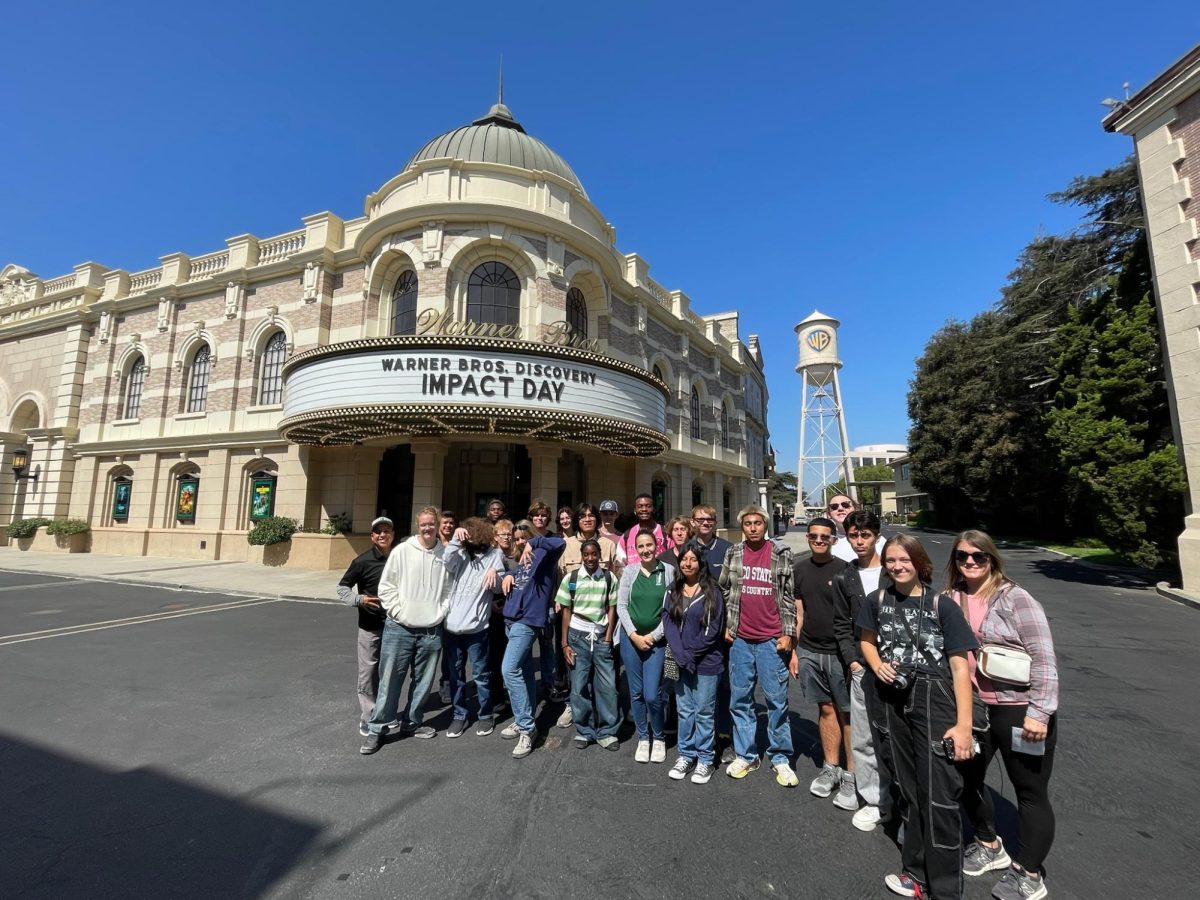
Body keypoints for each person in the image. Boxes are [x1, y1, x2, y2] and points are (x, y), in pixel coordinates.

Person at [857, 534, 978, 900]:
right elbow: (866, 638)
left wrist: (963, 725)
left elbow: (960, 668)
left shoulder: (943, 606)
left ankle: (943, 889)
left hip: (934, 699)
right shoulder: (877, 600)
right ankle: (915, 873)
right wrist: (876, 665)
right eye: (891, 560)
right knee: (908, 788)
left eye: (904, 559)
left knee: (938, 794)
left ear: (919, 561)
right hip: (893, 699)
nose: (897, 566)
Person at [948, 530, 1059, 900]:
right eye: (963, 556)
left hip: (1017, 709)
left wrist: (1040, 713)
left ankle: (1029, 873)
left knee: (1029, 792)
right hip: (975, 707)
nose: (970, 562)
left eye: (978, 556)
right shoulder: (951, 598)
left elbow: (1043, 658)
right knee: (965, 777)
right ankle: (988, 844)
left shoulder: (1016, 599)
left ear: (992, 559)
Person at [360, 507, 452, 755]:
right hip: (399, 628)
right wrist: (399, 613)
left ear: (438, 525)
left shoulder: (445, 554)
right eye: (423, 524)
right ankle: (377, 729)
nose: (427, 528)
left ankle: (412, 723)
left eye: (432, 524)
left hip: (431, 630)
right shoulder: (402, 551)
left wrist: (440, 612)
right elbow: (386, 586)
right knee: (390, 681)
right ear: (417, 525)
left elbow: (449, 589)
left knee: (423, 682)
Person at [718, 504, 798, 787]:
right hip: (741, 639)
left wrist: (789, 633)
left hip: (771, 640)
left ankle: (779, 757)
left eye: (757, 523)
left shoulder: (780, 553)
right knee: (740, 700)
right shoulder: (734, 552)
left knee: (776, 701)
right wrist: (729, 624)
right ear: (743, 527)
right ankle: (747, 754)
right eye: (748, 523)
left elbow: (788, 596)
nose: (753, 527)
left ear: (765, 526)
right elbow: (724, 588)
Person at [832, 509, 895, 832]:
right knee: (863, 736)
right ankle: (874, 799)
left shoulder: (894, 570)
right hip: (861, 667)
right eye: (854, 535)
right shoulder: (846, 576)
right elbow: (842, 624)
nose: (859, 541)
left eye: (865, 535)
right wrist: (853, 661)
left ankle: (901, 800)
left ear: (876, 536)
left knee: (897, 737)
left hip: (897, 666)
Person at [791, 517, 855, 805]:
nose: (819, 540)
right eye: (814, 536)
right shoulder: (799, 569)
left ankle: (852, 775)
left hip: (840, 653)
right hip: (809, 650)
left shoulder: (845, 570)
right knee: (826, 709)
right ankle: (831, 767)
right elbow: (798, 613)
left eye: (824, 536)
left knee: (848, 714)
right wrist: (794, 650)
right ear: (807, 538)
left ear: (833, 539)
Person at [500, 502, 566, 759]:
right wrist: (506, 574)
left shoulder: (543, 553)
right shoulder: (519, 561)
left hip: (527, 622)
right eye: (516, 538)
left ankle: (528, 729)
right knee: (525, 673)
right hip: (510, 620)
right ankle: (521, 718)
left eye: (522, 537)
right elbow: (513, 578)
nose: (519, 542)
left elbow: (560, 544)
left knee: (509, 669)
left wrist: (535, 543)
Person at [662, 541, 725, 784]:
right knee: (684, 710)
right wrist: (680, 654)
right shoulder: (672, 590)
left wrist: (689, 654)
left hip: (706, 662)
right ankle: (686, 755)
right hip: (680, 661)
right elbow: (667, 621)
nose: (688, 564)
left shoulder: (712, 591)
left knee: (704, 711)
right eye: (684, 560)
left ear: (701, 563)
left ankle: (705, 759)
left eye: (693, 560)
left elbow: (713, 629)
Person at [442, 517, 507, 738]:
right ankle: (459, 715)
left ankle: (485, 715)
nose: (468, 537)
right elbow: (447, 561)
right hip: (452, 626)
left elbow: (499, 587)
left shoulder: (494, 555)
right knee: (456, 675)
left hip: (478, 627)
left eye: (470, 534)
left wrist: (496, 574)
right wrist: (454, 539)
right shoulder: (460, 554)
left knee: (481, 674)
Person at [556, 538, 620, 750]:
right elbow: (565, 611)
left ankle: (607, 731)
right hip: (577, 636)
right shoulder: (571, 578)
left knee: (608, 686)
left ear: (600, 555)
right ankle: (585, 730)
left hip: (601, 636)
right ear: (582, 556)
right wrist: (565, 643)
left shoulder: (609, 578)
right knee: (579, 686)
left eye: (594, 554)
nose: (591, 558)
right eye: (587, 554)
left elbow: (612, 609)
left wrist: (609, 637)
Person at [617, 529, 674, 763]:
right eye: (640, 547)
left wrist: (652, 636)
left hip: (656, 641)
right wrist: (633, 634)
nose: (645, 550)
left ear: (657, 545)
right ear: (635, 549)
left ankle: (658, 737)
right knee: (636, 692)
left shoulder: (668, 571)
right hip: (631, 640)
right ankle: (643, 737)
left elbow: (671, 608)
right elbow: (621, 606)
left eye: (649, 545)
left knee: (653, 694)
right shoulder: (629, 572)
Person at [336, 516, 395, 736]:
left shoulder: (399, 558)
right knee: (368, 673)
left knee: (389, 673)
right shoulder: (362, 561)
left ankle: (385, 713)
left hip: (395, 626)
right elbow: (342, 588)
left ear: (392, 534)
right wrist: (359, 599)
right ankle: (368, 717)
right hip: (370, 627)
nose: (383, 535)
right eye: (378, 531)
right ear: (372, 536)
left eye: (387, 530)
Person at [691, 503, 734, 760]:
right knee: (693, 683)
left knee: (723, 685)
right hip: (693, 629)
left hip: (721, 630)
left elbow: (732, 588)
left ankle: (724, 735)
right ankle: (699, 737)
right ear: (692, 521)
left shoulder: (727, 549)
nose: (705, 523)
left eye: (710, 519)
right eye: (701, 519)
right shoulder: (688, 548)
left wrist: (729, 625)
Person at [825, 493, 885, 563]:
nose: (840, 508)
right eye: (834, 507)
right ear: (828, 514)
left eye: (845, 505)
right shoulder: (825, 542)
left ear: (856, 509)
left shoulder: (879, 541)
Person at [619, 493, 674, 562]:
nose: (644, 509)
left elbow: (673, 559)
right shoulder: (626, 536)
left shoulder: (666, 533)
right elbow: (621, 565)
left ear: (653, 509)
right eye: (640, 506)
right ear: (635, 511)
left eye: (648, 506)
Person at [597, 499, 626, 569]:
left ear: (616, 515)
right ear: (600, 515)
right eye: (605, 514)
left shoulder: (622, 537)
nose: (608, 517)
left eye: (611, 514)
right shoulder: (595, 535)